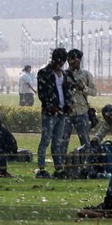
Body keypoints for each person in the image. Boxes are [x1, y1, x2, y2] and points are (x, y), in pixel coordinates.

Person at [35, 48, 71, 179]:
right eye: (59, 61)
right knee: (45, 140)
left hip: (62, 112)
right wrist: (51, 106)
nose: (60, 64)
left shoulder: (64, 74)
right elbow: (42, 94)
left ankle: (58, 168)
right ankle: (41, 168)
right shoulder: (44, 73)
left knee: (57, 142)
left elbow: (66, 92)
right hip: (50, 113)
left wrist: (68, 105)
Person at [62, 48, 97, 155]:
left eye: (77, 58)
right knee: (63, 140)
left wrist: (83, 88)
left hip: (82, 111)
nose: (75, 61)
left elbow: (94, 92)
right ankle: (62, 162)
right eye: (72, 58)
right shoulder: (63, 74)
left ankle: (87, 160)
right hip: (67, 111)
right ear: (68, 60)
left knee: (85, 139)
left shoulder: (86, 74)